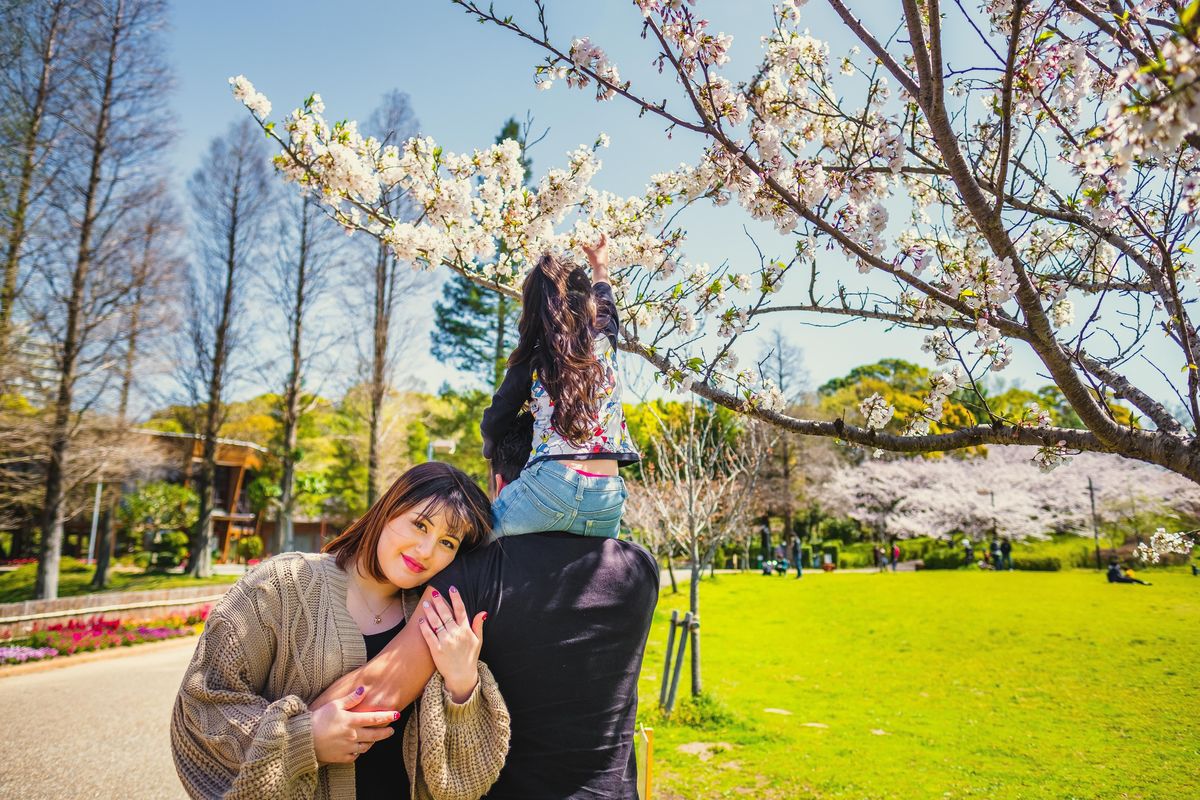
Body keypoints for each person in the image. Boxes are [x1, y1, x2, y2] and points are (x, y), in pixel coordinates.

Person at [311, 410, 660, 798]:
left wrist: (293, 735)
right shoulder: (640, 571)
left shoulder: (469, 575)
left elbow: (375, 694)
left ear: (500, 486)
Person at [170, 462, 510, 800]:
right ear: (389, 508)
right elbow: (201, 708)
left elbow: (466, 779)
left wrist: (462, 685)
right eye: (420, 525)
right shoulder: (283, 585)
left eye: (448, 543)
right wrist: (305, 739)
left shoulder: (438, 621)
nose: (426, 551)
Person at [480, 234, 639, 539]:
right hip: (607, 498)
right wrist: (599, 264)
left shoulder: (535, 357)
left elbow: (496, 417)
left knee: (480, 545)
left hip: (550, 485)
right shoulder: (605, 335)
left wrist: (491, 447)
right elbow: (604, 293)